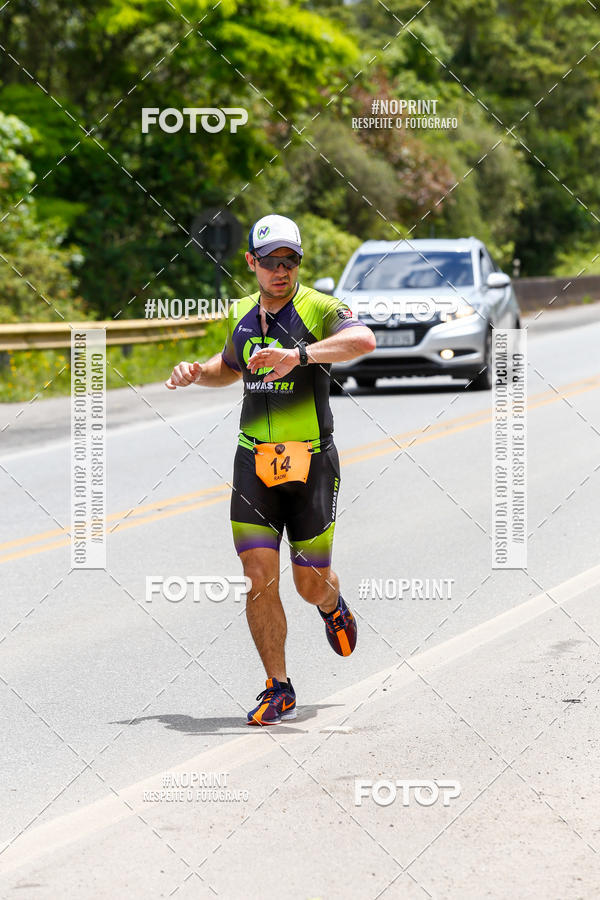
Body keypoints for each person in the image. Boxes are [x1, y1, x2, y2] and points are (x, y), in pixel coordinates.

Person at [166, 214, 376, 725]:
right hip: (253, 461)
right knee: (258, 577)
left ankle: (332, 606)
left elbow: (364, 341)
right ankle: (278, 687)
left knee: (308, 583)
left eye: (291, 260)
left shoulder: (321, 308)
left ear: (300, 262)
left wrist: (299, 355)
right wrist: (197, 372)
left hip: (310, 461)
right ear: (252, 264)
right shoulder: (241, 313)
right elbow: (230, 368)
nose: (281, 271)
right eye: (271, 262)